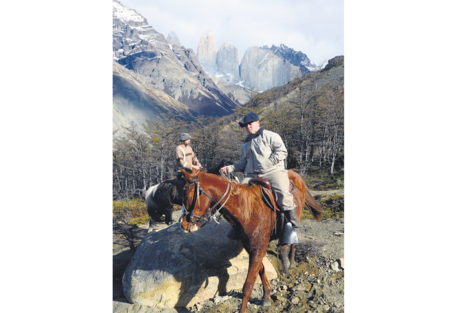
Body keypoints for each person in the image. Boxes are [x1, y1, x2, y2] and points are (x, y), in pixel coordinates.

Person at [220, 112, 301, 237]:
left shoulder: (270, 136)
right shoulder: (245, 144)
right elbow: (243, 163)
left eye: (250, 124)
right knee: (238, 197)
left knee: (283, 196)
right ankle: (238, 226)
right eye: (246, 125)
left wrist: (267, 163)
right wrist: (230, 168)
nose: (248, 127)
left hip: (273, 171)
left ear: (258, 123)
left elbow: (282, 152)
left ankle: (294, 226)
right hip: (252, 175)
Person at [174, 133, 202, 200]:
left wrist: (197, 162)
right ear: (183, 140)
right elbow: (181, 162)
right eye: (187, 139)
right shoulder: (178, 148)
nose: (189, 140)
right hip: (183, 172)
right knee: (189, 187)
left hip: (191, 171)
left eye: (189, 139)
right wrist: (193, 166)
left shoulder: (189, 148)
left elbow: (194, 157)